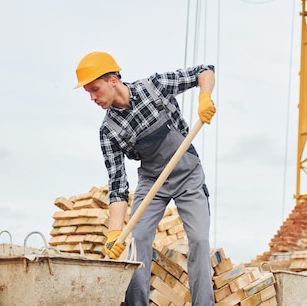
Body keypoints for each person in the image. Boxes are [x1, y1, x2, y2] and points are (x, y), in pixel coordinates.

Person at [73, 51, 216, 306]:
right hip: (153, 181)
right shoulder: (109, 131)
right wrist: (115, 232)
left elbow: (204, 72)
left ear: (113, 79)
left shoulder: (154, 87)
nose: (93, 98)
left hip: (187, 173)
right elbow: (118, 184)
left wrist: (204, 97)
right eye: (88, 93)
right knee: (137, 241)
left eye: (95, 89)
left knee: (199, 240)